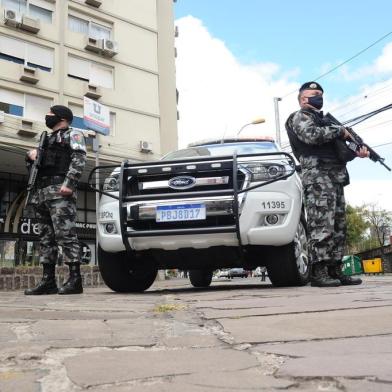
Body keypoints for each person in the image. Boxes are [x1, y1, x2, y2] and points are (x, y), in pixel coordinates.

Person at [285, 82, 369, 287]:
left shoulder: (324, 121)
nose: (319, 97)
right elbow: (311, 136)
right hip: (317, 178)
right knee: (321, 226)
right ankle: (319, 271)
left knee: (338, 226)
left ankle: (335, 269)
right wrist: (340, 131)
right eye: (314, 94)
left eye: (321, 94)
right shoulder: (299, 117)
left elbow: (339, 152)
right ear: (303, 98)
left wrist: (357, 152)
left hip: (335, 177)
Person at [24, 105, 87, 295]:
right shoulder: (46, 140)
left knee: (65, 235)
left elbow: (79, 158)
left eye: (50, 114)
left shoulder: (73, 134)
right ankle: (48, 280)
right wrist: (31, 156)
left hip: (60, 191)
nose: (47, 116)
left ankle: (75, 279)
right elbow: (37, 167)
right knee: (45, 239)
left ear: (61, 117)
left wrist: (69, 183)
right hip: (42, 193)